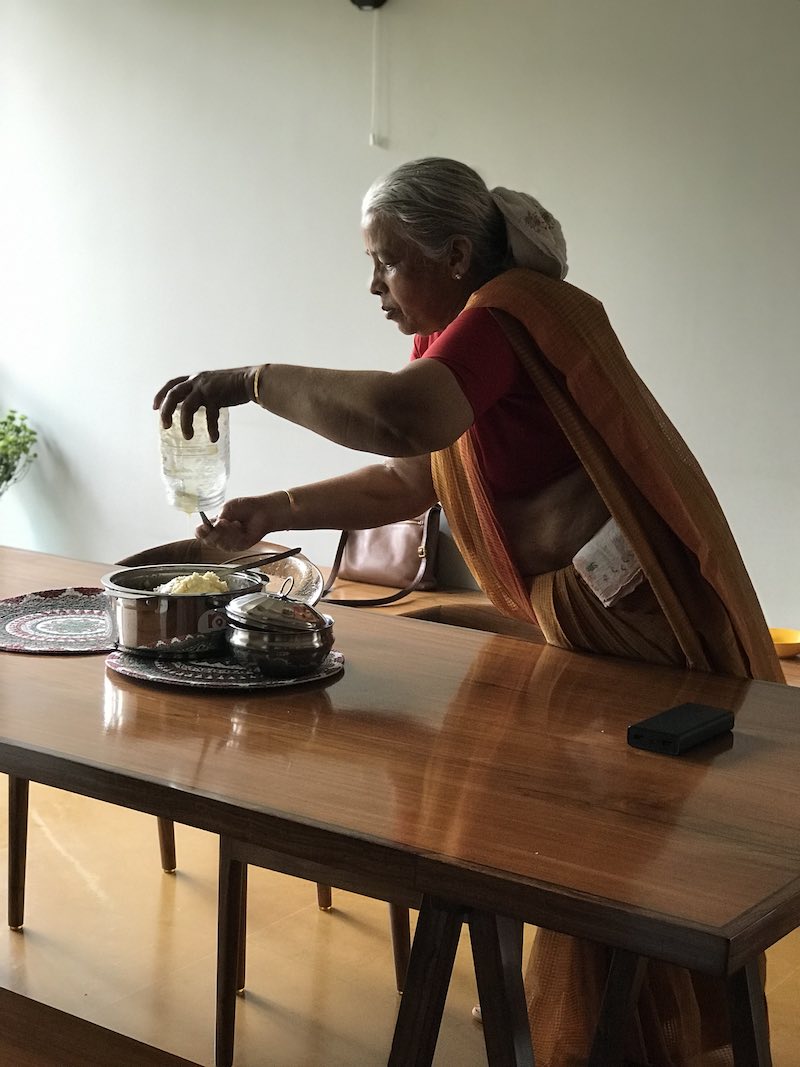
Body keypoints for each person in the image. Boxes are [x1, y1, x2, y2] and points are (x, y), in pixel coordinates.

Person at [154, 157, 783, 1066]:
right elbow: (412, 476)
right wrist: (274, 510)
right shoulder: (456, 338)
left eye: (389, 261)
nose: (374, 285)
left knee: (614, 853)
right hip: (585, 622)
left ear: (454, 254)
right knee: (579, 841)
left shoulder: (508, 313)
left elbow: (405, 423)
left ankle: (618, 1041)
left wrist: (251, 379)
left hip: (647, 633)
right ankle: (614, 1038)